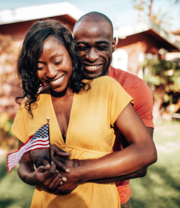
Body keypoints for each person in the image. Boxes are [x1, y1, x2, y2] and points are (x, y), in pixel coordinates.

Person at [12, 20, 157, 208]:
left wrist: (77, 171)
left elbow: (146, 152)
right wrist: (33, 176)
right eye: (40, 66)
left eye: (57, 61)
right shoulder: (30, 107)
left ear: (70, 53)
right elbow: (21, 161)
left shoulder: (106, 89)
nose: (51, 71)